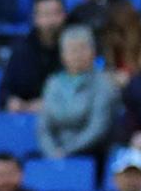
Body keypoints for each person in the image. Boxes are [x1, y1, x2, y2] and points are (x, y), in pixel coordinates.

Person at [37, 25, 118, 159]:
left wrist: (67, 151)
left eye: (83, 48)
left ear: (93, 52)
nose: (77, 55)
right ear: (62, 55)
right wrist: (52, 151)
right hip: (55, 153)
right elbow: (43, 127)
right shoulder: (53, 83)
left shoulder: (104, 83)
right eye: (72, 50)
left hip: (93, 154)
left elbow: (97, 127)